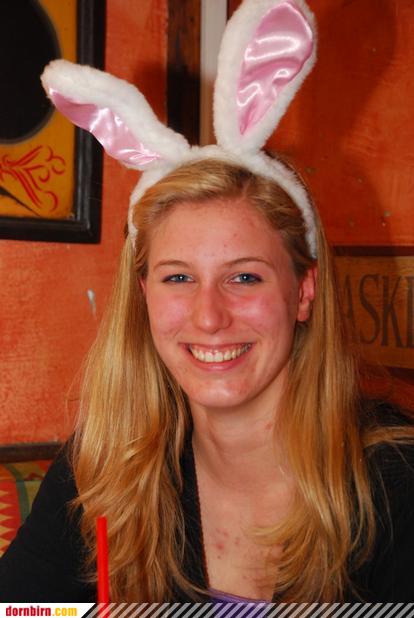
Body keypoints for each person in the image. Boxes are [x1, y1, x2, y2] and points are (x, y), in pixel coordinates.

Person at [1, 0, 414, 604]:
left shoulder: (395, 483)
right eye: (177, 278)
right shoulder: (104, 467)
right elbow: (24, 608)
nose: (209, 317)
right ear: (143, 295)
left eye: (244, 277)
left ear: (303, 292)